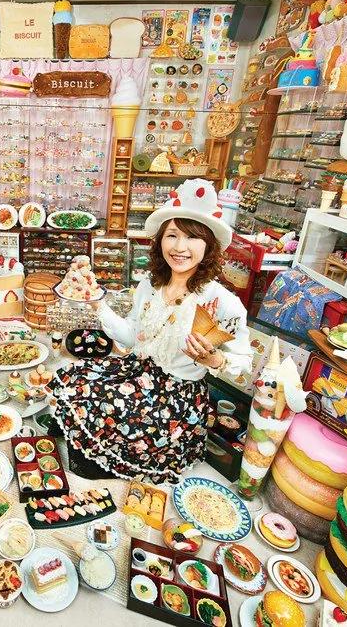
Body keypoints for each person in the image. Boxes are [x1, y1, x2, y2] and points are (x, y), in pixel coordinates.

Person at [48, 179, 252, 484]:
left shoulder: (222, 303)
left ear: (208, 246)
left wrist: (214, 360)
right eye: (172, 235)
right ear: (160, 242)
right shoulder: (150, 285)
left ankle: (103, 461)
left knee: (109, 412)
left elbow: (244, 367)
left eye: (193, 238)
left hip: (176, 396)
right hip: (137, 370)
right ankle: (85, 447)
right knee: (73, 378)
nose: (180, 248)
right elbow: (132, 336)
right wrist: (96, 303)